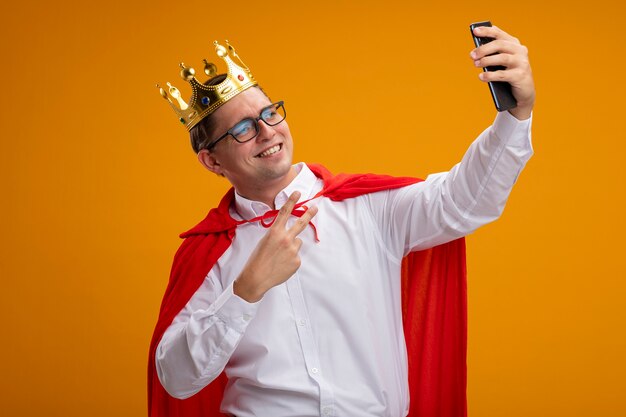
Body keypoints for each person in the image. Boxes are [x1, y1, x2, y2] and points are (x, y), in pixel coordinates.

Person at [149, 25, 535, 417]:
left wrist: (516, 115)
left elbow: (464, 201)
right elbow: (177, 378)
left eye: (268, 113)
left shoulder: (368, 208)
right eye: (243, 129)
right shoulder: (209, 253)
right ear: (212, 160)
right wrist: (246, 290)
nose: (267, 132)